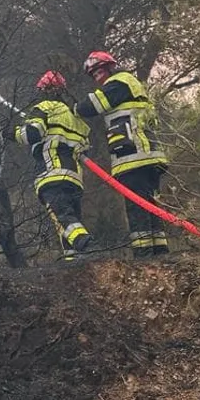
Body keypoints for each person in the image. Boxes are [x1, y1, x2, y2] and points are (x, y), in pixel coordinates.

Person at [74, 51, 170, 259]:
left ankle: (144, 256)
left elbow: (91, 106)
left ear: (110, 67)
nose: (97, 78)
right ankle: (161, 254)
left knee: (137, 207)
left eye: (98, 72)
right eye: (93, 75)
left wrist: (74, 108)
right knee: (150, 204)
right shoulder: (128, 85)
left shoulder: (119, 83)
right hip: (147, 156)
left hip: (134, 157)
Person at [8, 70, 96, 260]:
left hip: (51, 172)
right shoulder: (75, 118)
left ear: (46, 90)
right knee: (69, 217)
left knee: (61, 215)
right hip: (73, 177)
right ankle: (73, 259)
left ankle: (84, 243)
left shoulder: (44, 107)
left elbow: (32, 134)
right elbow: (85, 150)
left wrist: (10, 133)